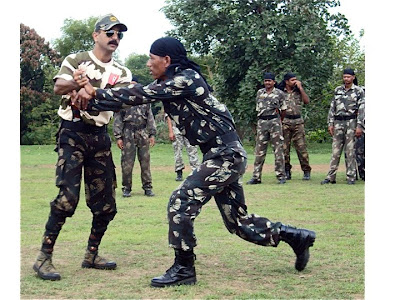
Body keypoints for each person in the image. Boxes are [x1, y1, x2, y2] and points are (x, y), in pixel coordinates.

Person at [72, 37, 316, 288]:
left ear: (166, 60)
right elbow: (136, 93)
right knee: (239, 223)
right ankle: (296, 237)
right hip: (221, 154)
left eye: (152, 59)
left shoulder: (186, 79)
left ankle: (184, 268)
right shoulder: (169, 81)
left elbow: (142, 93)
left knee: (180, 201)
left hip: (225, 154)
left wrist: (94, 93)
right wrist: (91, 96)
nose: (148, 64)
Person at [32, 14, 131, 281]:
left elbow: (120, 101)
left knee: (106, 204)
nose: (115, 38)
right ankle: (44, 258)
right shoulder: (77, 60)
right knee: (67, 199)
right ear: (96, 35)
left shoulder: (122, 72)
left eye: (119, 34)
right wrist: (80, 83)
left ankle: (91, 254)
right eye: (110, 32)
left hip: (99, 135)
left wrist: (90, 90)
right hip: (73, 132)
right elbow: (58, 86)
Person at [114, 76, 156, 197]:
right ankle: (126, 188)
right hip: (127, 133)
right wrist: (118, 137)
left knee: (145, 161)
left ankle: (148, 187)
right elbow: (118, 119)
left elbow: (150, 118)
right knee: (127, 162)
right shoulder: (124, 100)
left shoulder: (144, 100)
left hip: (142, 132)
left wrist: (152, 134)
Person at [321, 69, 365, 185]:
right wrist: (330, 123)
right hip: (338, 122)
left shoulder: (358, 91)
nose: (346, 79)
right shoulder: (338, 90)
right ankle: (331, 176)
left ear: (353, 77)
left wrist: (360, 126)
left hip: (351, 122)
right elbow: (332, 108)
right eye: (344, 77)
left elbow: (362, 109)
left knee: (350, 150)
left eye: (348, 77)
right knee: (335, 151)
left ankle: (351, 176)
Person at [247, 72, 287, 185]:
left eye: (269, 81)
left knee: (278, 150)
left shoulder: (279, 93)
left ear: (274, 82)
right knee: (259, 151)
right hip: (262, 122)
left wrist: (279, 120)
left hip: (275, 122)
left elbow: (284, 110)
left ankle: (281, 176)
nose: (267, 83)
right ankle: (256, 177)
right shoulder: (260, 93)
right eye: (265, 81)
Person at [277, 73, 312, 180]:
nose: (295, 82)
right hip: (285, 122)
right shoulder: (280, 92)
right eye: (292, 80)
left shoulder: (298, 91)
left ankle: (306, 171)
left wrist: (301, 88)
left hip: (298, 122)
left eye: (296, 80)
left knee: (302, 148)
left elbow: (307, 101)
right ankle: (286, 170)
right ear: (286, 81)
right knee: (284, 149)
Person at [166, 115, 200, 181]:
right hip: (176, 129)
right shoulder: (172, 105)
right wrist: (170, 131)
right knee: (177, 151)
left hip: (190, 129)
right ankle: (179, 172)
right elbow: (168, 117)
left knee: (193, 150)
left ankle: (196, 172)